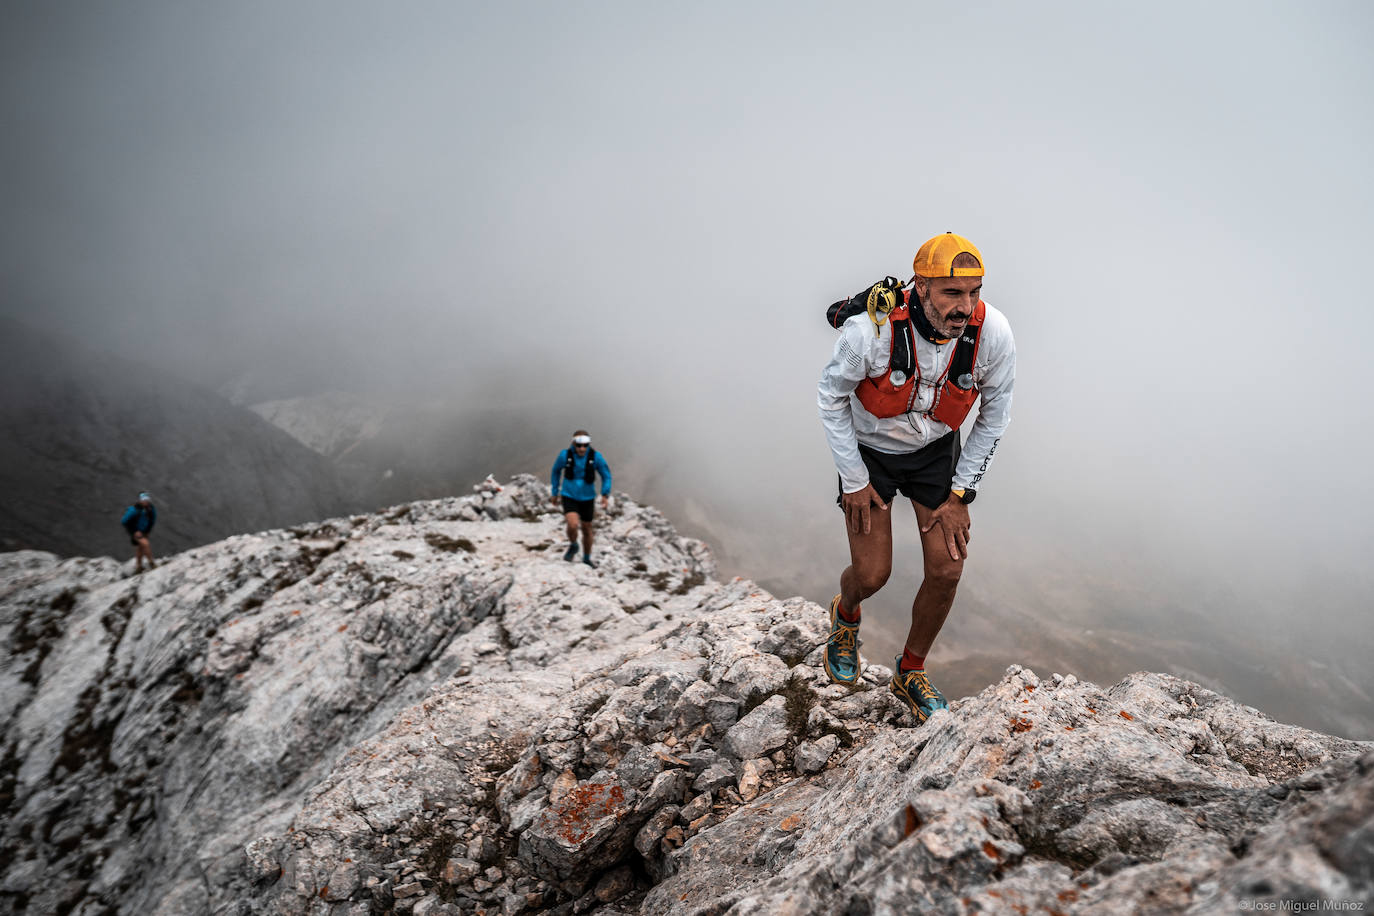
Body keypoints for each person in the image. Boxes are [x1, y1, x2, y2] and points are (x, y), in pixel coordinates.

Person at [817, 232, 1016, 725]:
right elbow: (830, 397)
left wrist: (962, 492)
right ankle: (846, 616)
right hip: (871, 454)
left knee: (947, 570)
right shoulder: (869, 332)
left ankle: (910, 670)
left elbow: (995, 414)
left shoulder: (993, 334)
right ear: (921, 287)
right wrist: (853, 479)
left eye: (974, 292)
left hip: (934, 454)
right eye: (952, 292)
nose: (965, 306)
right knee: (872, 575)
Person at [550, 431, 612, 567]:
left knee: (587, 528)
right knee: (572, 524)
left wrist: (605, 494)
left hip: (588, 497)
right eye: (579, 445)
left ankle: (587, 557)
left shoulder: (596, 457)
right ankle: (573, 544)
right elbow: (555, 471)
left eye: (585, 445)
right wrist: (554, 492)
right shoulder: (564, 455)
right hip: (569, 494)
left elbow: (606, 475)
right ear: (573, 443)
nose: (582, 449)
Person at [120, 491, 158, 573]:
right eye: (144, 500)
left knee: (140, 548)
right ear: (140, 500)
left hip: (144, 531)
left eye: (147, 500)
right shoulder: (135, 510)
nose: (145, 502)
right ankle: (152, 563)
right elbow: (124, 521)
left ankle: (139, 566)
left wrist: (148, 531)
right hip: (135, 532)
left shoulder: (151, 509)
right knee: (145, 544)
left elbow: (152, 520)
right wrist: (134, 532)